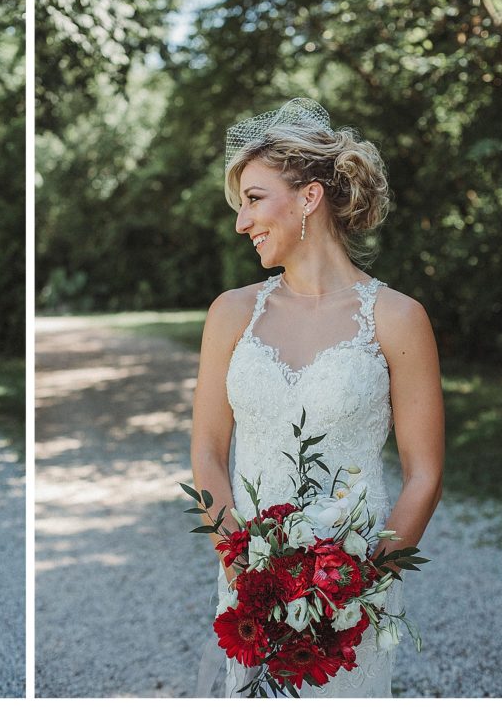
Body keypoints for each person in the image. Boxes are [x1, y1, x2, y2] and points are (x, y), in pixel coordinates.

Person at [190, 99, 444, 698]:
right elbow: (206, 451)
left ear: (308, 197)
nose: (240, 221)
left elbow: (425, 474)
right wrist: (245, 566)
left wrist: (359, 583)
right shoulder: (231, 314)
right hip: (249, 584)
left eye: (254, 199)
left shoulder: (398, 318)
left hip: (352, 596)